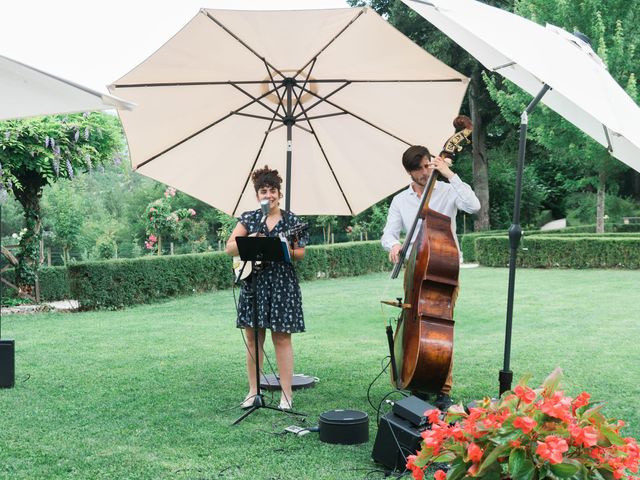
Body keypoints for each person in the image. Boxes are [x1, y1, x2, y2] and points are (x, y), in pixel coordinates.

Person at [380, 145, 480, 409]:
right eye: (418, 169)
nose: (425, 173)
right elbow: (388, 233)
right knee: (414, 324)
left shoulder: (448, 190)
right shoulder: (401, 201)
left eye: (427, 166)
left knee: (441, 326)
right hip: (414, 268)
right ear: (409, 172)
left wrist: (450, 174)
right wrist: (393, 245)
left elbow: (473, 205)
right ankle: (418, 380)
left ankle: (443, 388)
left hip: (443, 268)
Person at [225, 166, 308, 411]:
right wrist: (251, 238)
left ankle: (286, 394)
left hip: (282, 283)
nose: (269, 194)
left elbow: (300, 253)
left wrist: (280, 246)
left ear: (279, 194)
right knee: (253, 338)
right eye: (264, 190)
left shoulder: (292, 220)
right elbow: (230, 248)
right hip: (254, 284)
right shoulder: (250, 218)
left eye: (273, 190)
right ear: (257, 194)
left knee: (281, 338)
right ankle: (253, 391)